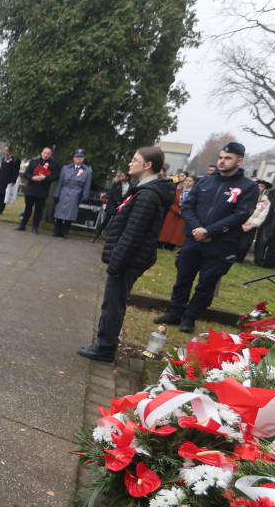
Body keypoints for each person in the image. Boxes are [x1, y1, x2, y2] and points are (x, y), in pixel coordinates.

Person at [78, 147, 175, 361]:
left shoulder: (148, 195)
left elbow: (132, 234)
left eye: (135, 160)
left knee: (113, 304)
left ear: (148, 165)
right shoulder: (143, 190)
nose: (130, 163)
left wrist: (115, 265)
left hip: (128, 259)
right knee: (112, 302)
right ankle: (105, 345)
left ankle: (105, 349)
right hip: (128, 258)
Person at [154, 142, 259, 334]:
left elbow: (240, 215)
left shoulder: (248, 187)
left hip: (220, 243)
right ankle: (175, 312)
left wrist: (210, 232)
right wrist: (198, 229)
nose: (222, 161)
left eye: (227, 158)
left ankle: (190, 317)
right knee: (183, 277)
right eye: (220, 157)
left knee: (207, 282)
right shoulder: (204, 181)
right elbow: (187, 206)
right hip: (194, 238)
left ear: (239, 161)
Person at [16, 147, 60, 233]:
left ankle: (35, 227)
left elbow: (55, 176)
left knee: (38, 210)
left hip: (42, 191)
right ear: (41, 153)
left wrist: (45, 177)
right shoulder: (34, 162)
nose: (45, 155)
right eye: (44, 153)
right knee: (28, 208)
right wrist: (33, 177)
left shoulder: (54, 164)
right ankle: (22, 225)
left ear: (51, 155)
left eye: (48, 153)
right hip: (31, 189)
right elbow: (26, 174)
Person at [52, 149, 93, 238]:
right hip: (64, 191)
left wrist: (85, 196)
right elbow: (60, 182)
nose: (79, 159)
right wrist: (56, 193)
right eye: (77, 157)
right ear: (73, 158)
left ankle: (65, 232)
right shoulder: (65, 168)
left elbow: (87, 184)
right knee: (59, 213)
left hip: (76, 192)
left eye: (81, 157)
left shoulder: (87, 170)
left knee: (71, 214)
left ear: (83, 158)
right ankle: (56, 231)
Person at [235, 180, 271, 263]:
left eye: (262, 186)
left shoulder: (266, 201)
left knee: (244, 245)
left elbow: (262, 215)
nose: (260, 188)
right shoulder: (246, 195)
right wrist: (241, 222)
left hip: (251, 226)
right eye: (258, 185)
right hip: (240, 222)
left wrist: (252, 225)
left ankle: (239, 259)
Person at [157, 174, 195, 250]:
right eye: (186, 180)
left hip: (183, 216)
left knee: (177, 235)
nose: (187, 182)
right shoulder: (177, 191)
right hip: (173, 213)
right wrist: (178, 210)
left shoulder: (194, 194)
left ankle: (171, 248)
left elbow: (194, 205)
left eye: (190, 181)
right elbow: (170, 203)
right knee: (167, 231)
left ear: (194, 182)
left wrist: (185, 212)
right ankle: (161, 246)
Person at [92, 171, 130, 243]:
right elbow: (112, 193)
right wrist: (118, 201)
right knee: (106, 220)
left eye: (122, 176)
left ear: (127, 177)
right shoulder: (116, 184)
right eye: (120, 176)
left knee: (115, 222)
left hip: (122, 205)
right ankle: (97, 235)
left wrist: (123, 202)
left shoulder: (131, 185)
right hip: (113, 204)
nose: (120, 177)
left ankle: (109, 238)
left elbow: (129, 195)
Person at [0, 145, 21, 215]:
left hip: (8, 180)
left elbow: (15, 171)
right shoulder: (3, 158)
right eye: (5, 150)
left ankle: (0, 210)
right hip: (0, 178)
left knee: (3, 195)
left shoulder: (15, 160)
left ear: (10, 151)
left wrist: (13, 181)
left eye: (7, 150)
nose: (5, 152)